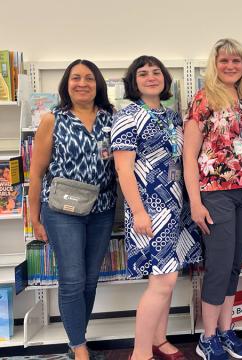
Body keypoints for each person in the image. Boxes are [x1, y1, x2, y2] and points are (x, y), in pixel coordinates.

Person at [111, 55, 202, 360]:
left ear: (164, 79)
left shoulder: (172, 116)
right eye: (142, 73)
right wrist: (137, 211)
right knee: (162, 281)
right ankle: (140, 353)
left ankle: (159, 339)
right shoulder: (127, 116)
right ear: (133, 82)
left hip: (175, 207)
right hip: (149, 209)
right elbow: (124, 170)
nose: (151, 77)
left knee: (168, 277)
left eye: (156, 72)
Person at [183, 39, 242, 360]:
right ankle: (207, 337)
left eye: (236, 61)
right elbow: (189, 157)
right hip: (215, 194)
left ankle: (226, 329)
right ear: (214, 65)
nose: (230, 66)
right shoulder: (204, 100)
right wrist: (195, 202)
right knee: (218, 264)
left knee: (234, 265)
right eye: (224, 61)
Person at [28, 59, 117, 360]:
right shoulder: (52, 120)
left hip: (102, 209)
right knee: (73, 278)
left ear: (98, 84)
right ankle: (80, 349)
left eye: (89, 78)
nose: (82, 83)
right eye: (76, 78)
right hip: (62, 210)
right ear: (66, 84)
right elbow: (37, 173)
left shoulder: (112, 119)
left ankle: (75, 340)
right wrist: (33, 216)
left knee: (90, 279)